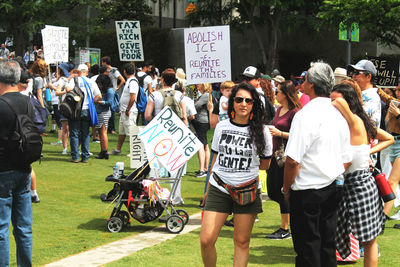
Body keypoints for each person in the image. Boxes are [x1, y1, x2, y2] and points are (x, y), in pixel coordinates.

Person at [283, 61, 352, 267]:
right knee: (326, 246)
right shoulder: (337, 114)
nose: (301, 84)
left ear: (311, 85)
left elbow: (292, 160)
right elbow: (346, 159)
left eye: (304, 80)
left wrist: (287, 188)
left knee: (307, 249)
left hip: (308, 190)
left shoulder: (306, 115)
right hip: (331, 187)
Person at [200, 82, 272, 267]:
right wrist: (208, 189)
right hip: (219, 186)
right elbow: (214, 161)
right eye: (239, 99)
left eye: (248, 101)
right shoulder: (221, 127)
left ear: (254, 104)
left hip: (247, 190)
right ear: (232, 102)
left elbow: (265, 164)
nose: (243, 104)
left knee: (241, 242)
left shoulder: (263, 132)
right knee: (206, 240)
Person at [330, 82, 393, 267]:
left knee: (369, 240)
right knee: (367, 239)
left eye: (335, 100)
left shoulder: (354, 120)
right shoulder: (358, 121)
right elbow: (387, 138)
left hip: (359, 185)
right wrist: (368, 151)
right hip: (357, 183)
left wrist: (368, 152)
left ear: (347, 102)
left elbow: (389, 138)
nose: (332, 104)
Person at [0, 60, 33, 267]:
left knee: (2, 228)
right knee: (23, 228)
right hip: (24, 168)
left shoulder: (2, 105)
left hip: (3, 170)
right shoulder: (26, 102)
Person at [145, 68, 187, 205]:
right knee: (175, 168)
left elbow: (147, 115)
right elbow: (184, 116)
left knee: (155, 167)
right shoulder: (180, 95)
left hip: (158, 132)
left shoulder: (154, 95)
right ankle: (176, 198)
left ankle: (154, 196)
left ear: (162, 80)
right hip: (176, 133)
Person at [265, 80, 301, 240]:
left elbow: (299, 135)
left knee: (282, 190)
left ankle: (285, 227)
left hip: (286, 156)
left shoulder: (295, 112)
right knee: (272, 191)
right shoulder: (279, 109)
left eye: (278, 91)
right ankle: (290, 221)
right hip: (275, 154)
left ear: (286, 94)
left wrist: (280, 133)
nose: (276, 94)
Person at [65, 64, 101, 163]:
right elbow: (99, 96)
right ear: (87, 71)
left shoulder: (75, 80)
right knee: (85, 133)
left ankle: (75, 156)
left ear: (78, 71)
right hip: (87, 109)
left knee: (74, 133)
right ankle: (85, 157)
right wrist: (91, 102)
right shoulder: (91, 82)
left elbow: (67, 89)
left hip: (76, 109)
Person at [110, 63, 138, 155]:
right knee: (122, 131)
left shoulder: (132, 82)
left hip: (129, 111)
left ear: (124, 72)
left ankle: (135, 151)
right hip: (124, 110)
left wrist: (128, 109)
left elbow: (133, 97)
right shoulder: (129, 81)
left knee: (131, 131)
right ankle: (118, 149)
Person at [101, 56, 125, 134]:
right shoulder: (104, 70)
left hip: (111, 91)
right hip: (106, 91)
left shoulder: (114, 70)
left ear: (105, 62)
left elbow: (122, 80)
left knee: (112, 109)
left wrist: (116, 88)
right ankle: (107, 127)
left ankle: (112, 128)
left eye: (102, 62)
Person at [193, 83, 211, 178]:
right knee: (205, 145)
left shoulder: (206, 95)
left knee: (200, 145)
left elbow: (195, 107)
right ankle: (205, 168)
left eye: (199, 84)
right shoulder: (205, 95)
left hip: (201, 121)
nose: (197, 86)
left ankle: (202, 170)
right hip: (204, 121)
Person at [95, 74, 114, 159]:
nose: (99, 85)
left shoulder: (110, 90)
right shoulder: (105, 90)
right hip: (101, 112)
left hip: (104, 112)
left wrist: (100, 102)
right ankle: (103, 151)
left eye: (100, 83)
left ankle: (104, 151)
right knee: (101, 132)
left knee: (103, 132)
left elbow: (110, 102)